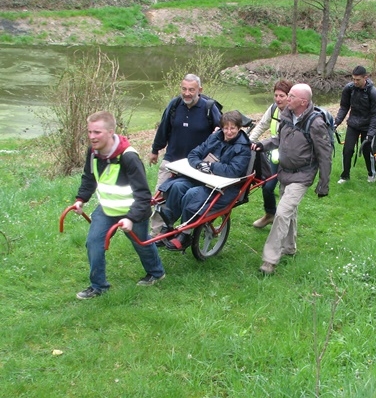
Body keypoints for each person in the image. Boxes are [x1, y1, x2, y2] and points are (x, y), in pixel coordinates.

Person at [72, 111, 165, 300]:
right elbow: (89, 178)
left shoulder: (129, 157)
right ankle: (98, 286)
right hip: (106, 209)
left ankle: (156, 273)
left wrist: (130, 218)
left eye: (97, 132)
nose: (92, 137)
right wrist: (81, 199)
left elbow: (143, 194)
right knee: (94, 243)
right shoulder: (93, 152)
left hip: (133, 212)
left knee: (140, 243)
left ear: (110, 132)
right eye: (89, 132)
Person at [253, 84, 332, 274]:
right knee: (289, 211)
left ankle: (269, 260)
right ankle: (290, 247)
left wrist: (323, 184)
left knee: (282, 212)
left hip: (302, 176)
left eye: (291, 96)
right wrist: (261, 145)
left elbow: (325, 155)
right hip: (285, 172)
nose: (287, 99)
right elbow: (278, 140)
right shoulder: (287, 116)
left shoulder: (316, 123)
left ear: (303, 102)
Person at [159, 111, 252, 251]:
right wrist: (199, 164)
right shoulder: (215, 137)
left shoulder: (243, 148)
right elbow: (194, 154)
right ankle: (168, 226)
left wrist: (211, 166)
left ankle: (185, 234)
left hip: (224, 188)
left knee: (192, 194)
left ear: (239, 128)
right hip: (203, 178)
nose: (229, 131)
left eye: (233, 128)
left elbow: (234, 171)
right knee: (177, 186)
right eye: (225, 128)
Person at [148, 74, 221, 239]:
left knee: (195, 195)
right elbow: (163, 128)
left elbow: (221, 135)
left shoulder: (209, 108)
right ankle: (157, 233)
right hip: (172, 159)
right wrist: (155, 150)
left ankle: (194, 227)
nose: (187, 93)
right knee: (160, 194)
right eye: (184, 89)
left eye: (191, 90)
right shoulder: (174, 105)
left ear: (199, 90)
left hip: (196, 163)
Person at [248, 80, 293, 228]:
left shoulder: (295, 113)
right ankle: (270, 214)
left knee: (286, 193)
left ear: (289, 96)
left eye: (282, 95)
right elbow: (262, 125)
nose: (278, 99)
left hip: (292, 160)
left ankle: (284, 223)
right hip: (276, 157)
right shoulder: (274, 109)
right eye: (276, 95)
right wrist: (248, 142)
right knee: (267, 187)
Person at [334, 65, 376, 183]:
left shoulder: (373, 92)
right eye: (353, 79)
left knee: (366, 151)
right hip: (353, 123)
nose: (355, 82)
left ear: (365, 77)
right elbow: (344, 107)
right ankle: (345, 176)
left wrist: (370, 134)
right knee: (347, 150)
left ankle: (372, 173)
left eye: (358, 80)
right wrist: (336, 122)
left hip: (368, 125)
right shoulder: (349, 89)